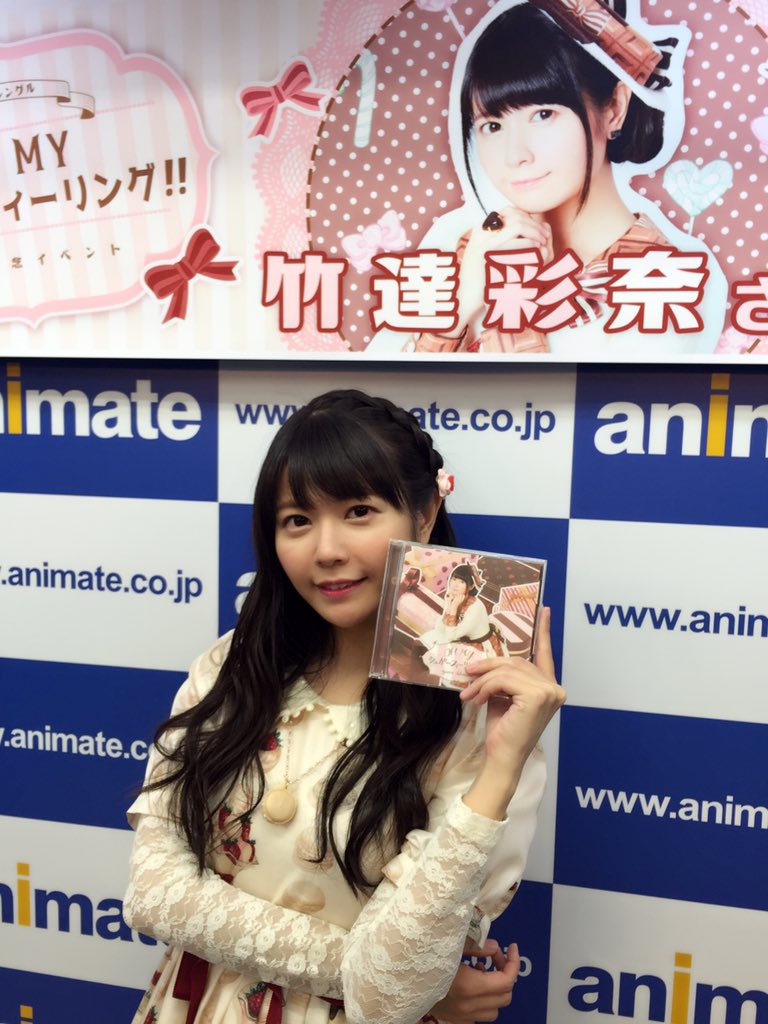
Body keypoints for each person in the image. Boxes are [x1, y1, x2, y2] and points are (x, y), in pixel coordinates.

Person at [123, 389, 564, 1024]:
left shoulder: (480, 717)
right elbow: (154, 896)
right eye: (296, 520)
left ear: (425, 512)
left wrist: (501, 767)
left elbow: (387, 998)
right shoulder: (232, 665)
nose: (326, 549)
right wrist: (384, 975)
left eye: (359, 511)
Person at [370, 0, 725, 357]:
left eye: (543, 115)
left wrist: (518, 297)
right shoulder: (460, 247)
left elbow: (572, 394)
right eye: (492, 126)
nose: (515, 155)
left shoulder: (663, 279)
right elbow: (372, 389)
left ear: (615, 108)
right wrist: (461, 304)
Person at [420, 563, 506, 689]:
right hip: (461, 639)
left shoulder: (475, 608)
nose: (455, 584)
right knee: (428, 640)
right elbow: (440, 628)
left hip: (479, 647)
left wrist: (453, 607)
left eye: (461, 582)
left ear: (471, 586)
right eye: (454, 579)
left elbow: (450, 636)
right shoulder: (456, 598)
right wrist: (449, 605)